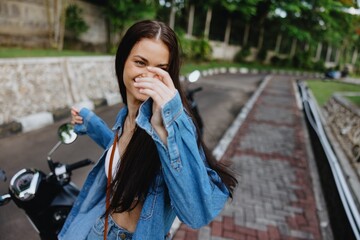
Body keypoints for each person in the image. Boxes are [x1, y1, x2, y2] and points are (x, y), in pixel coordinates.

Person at [59, 20, 237, 240]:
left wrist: (165, 129)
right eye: (140, 63)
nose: (148, 76)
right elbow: (124, 157)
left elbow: (196, 214)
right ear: (123, 61)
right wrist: (90, 123)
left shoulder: (173, 128)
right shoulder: (126, 116)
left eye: (160, 69)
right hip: (99, 228)